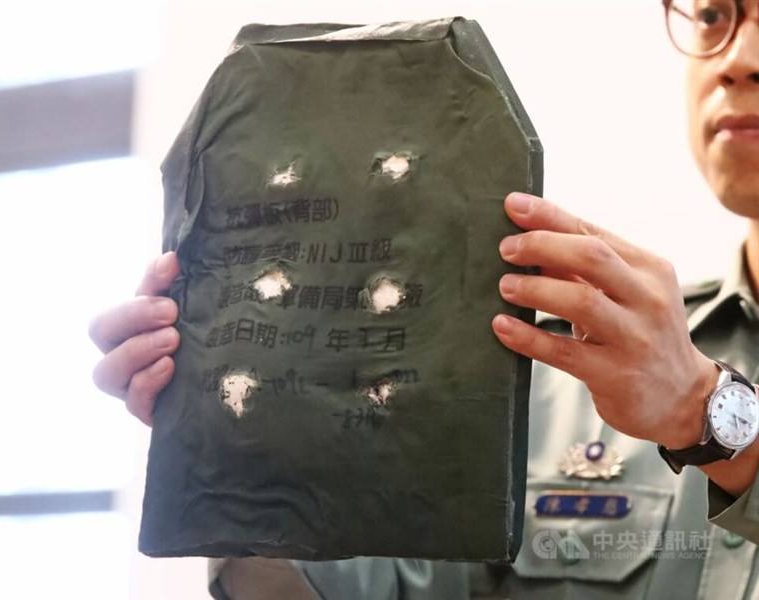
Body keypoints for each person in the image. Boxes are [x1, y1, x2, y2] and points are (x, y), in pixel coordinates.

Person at [88, 1, 759, 598]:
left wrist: (712, 419)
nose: (738, 60)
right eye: (713, 16)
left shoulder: (656, 380)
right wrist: (242, 441)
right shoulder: (564, 372)